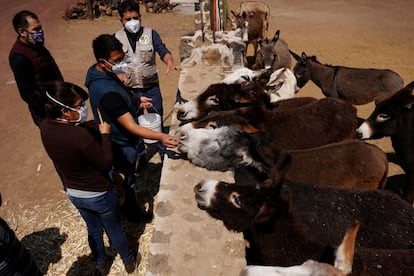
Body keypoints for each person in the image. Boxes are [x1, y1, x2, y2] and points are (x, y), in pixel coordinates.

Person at [39, 81, 136, 274]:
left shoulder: (45, 127)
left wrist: (85, 127)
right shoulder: (79, 135)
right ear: (64, 111)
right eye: (79, 106)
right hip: (99, 193)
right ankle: (128, 260)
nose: (84, 108)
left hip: (75, 193)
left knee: (93, 228)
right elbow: (105, 162)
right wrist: (105, 136)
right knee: (114, 229)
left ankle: (100, 261)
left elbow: (70, 142)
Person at [85, 34, 179, 223]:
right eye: (116, 61)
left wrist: (136, 100)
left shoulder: (99, 72)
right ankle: (133, 214)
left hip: (122, 137)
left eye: (122, 58)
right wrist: (160, 136)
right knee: (126, 180)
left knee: (128, 174)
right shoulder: (106, 92)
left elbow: (122, 95)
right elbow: (131, 126)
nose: (121, 63)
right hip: (120, 142)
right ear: (102, 61)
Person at [115, 0, 181, 155]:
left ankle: (163, 151)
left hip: (151, 89)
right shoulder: (116, 38)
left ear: (140, 17)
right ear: (121, 20)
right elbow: (116, 61)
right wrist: (119, 75)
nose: (132, 22)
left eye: (135, 18)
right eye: (128, 19)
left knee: (156, 119)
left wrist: (170, 62)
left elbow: (162, 50)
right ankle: (140, 154)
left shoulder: (150, 34)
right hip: (130, 91)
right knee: (134, 123)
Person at [9, 10, 64, 126]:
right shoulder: (20, 58)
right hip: (46, 112)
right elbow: (27, 94)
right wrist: (50, 107)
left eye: (40, 28)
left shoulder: (37, 46)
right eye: (36, 29)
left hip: (60, 103)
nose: (40, 32)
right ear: (22, 32)